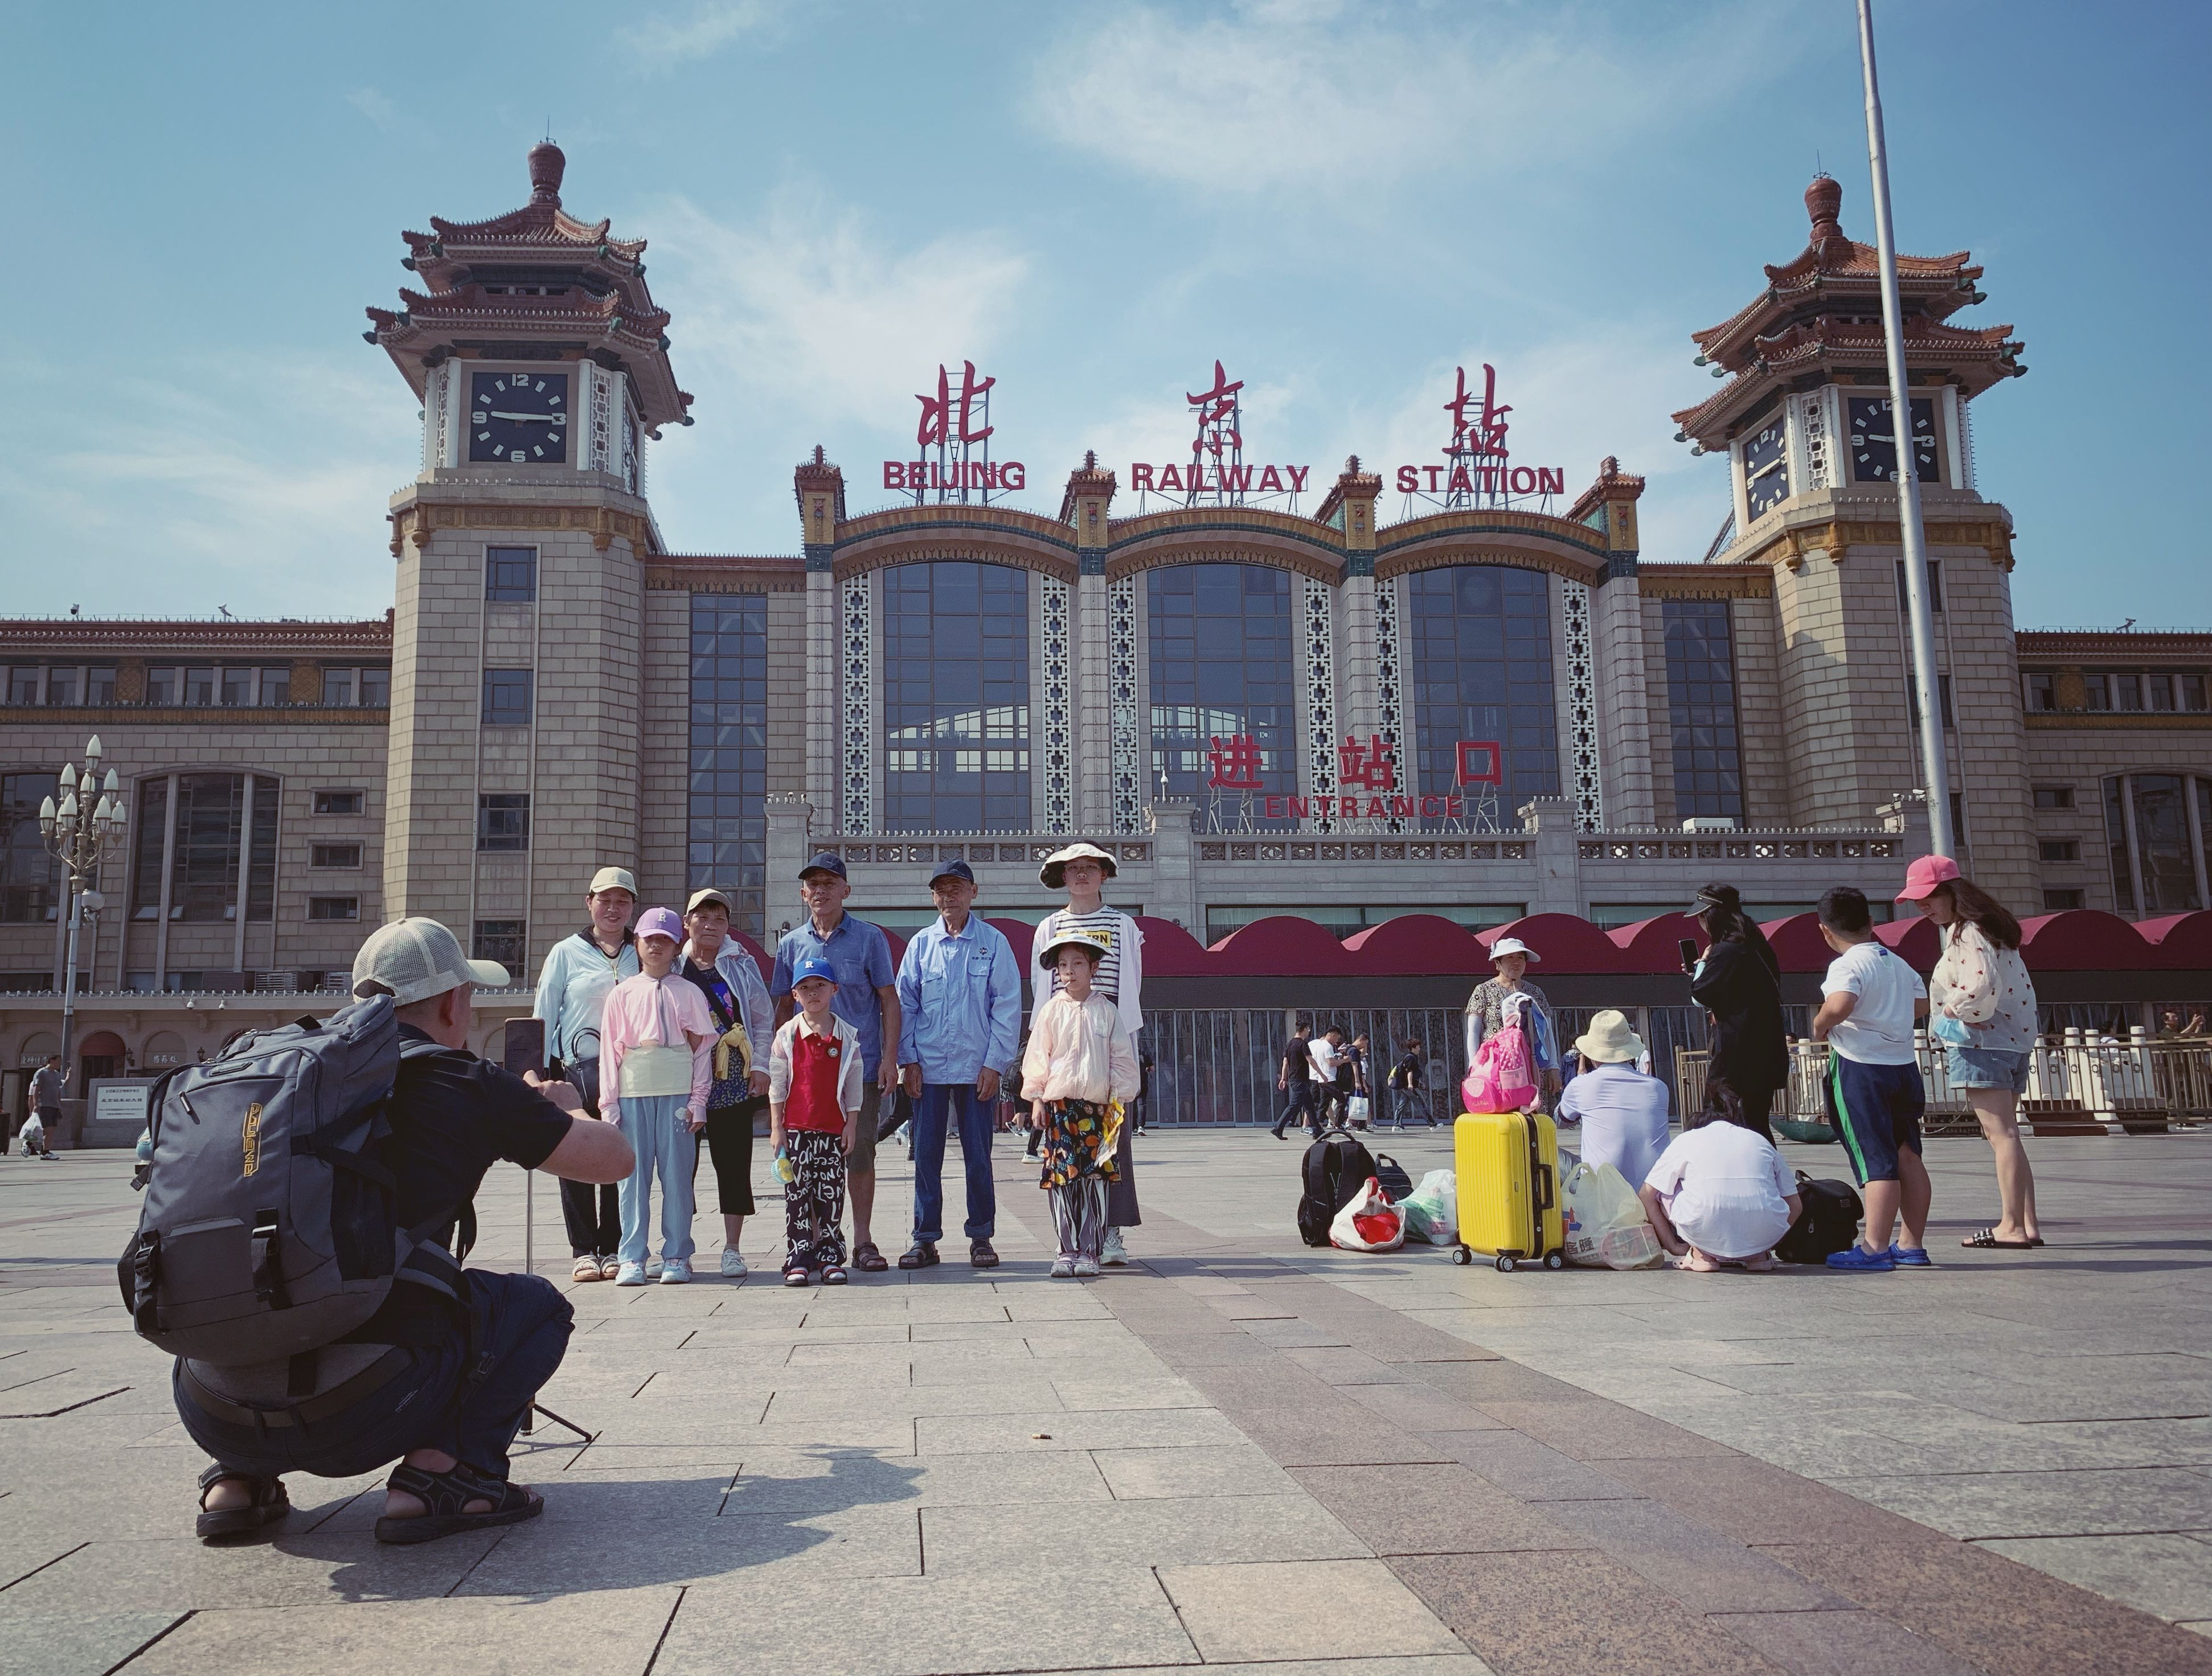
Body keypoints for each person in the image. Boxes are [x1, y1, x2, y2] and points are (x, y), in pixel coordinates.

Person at [179, 917, 633, 1545]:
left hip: (212, 1401)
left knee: (266, 1271)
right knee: (536, 1307)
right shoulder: (461, 1081)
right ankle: (447, 1474)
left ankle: (239, 1480)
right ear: (453, 1001)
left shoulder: (270, 1069)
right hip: (363, 1407)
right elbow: (614, 1161)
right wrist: (565, 1106)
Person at [1900, 855, 2045, 1250]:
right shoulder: (1994, 928)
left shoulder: (1965, 932)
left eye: (1928, 897)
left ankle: (2011, 1225)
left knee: (2001, 1134)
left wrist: (1952, 1009)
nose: (1922, 907)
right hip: (2012, 1039)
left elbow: (1978, 984)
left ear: (1951, 892)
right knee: (2009, 1134)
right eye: (1918, 900)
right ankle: (2026, 1222)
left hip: (1982, 1042)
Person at [771, 853, 899, 1275]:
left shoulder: (868, 938)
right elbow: (781, 1011)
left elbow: (888, 1000)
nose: (821, 891)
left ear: (846, 889)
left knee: (859, 1151)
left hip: (858, 1070)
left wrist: (891, 1058)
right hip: (807, 1078)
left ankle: (861, 1239)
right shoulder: (792, 944)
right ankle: (812, 1242)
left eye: (830, 883)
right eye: (813, 884)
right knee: (809, 1162)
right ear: (804, 892)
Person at [895, 859, 1021, 1271]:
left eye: (957, 889)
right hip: (928, 1069)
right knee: (926, 1155)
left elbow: (1007, 1007)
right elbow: (905, 1006)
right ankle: (924, 1238)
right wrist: (907, 1059)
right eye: (941, 890)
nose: (949, 897)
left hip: (976, 1069)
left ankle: (981, 1235)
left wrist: (995, 1064)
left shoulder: (993, 943)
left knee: (978, 1156)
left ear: (974, 892)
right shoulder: (920, 945)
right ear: (933, 896)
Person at [1030, 843, 1144, 1266]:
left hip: (1105, 1035)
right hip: (1064, 1042)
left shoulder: (1121, 924)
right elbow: (1042, 993)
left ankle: (1110, 1232)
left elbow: (1131, 987)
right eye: (1073, 869)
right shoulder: (1049, 926)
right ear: (1062, 876)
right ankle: (1071, 1240)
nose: (1081, 875)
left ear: (1104, 875)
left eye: (1090, 868)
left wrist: (1124, 1052)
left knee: (1112, 1144)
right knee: (1067, 1154)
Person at [1813, 884, 1932, 1272]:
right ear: (1871, 922)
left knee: (1875, 1158)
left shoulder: (1846, 964)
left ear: (1825, 932)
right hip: (1902, 1065)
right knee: (1908, 1154)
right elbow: (1921, 1004)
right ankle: (1911, 1244)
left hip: (1860, 1066)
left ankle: (1875, 1246)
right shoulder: (1897, 963)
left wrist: (1821, 1024)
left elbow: (1841, 1003)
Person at [531, 866, 638, 1281]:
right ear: (589, 902)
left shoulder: (642, 948)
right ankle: (583, 1248)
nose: (613, 909)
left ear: (632, 906)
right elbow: (544, 1013)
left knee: (616, 1156)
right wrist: (535, 1073)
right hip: (575, 1071)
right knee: (574, 1156)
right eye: (605, 900)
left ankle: (612, 1246)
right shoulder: (565, 952)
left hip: (629, 1072)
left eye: (623, 901)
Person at [600, 907, 715, 1287]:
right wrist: (610, 1104)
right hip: (634, 1091)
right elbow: (609, 1054)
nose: (656, 945)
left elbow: (702, 1051)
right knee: (631, 1179)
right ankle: (632, 1255)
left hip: (677, 1091)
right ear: (637, 942)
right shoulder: (621, 994)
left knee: (678, 1177)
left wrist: (699, 1099)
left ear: (675, 945)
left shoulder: (690, 992)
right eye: (649, 938)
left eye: (664, 940)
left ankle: (678, 1253)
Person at [680, 888, 775, 1278]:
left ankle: (732, 1248)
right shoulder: (671, 965)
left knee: (734, 1165)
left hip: (733, 1078)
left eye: (719, 918)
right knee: (679, 1168)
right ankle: (678, 1246)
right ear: (687, 922)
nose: (711, 925)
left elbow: (763, 1017)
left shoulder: (740, 962)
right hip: (683, 1081)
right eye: (702, 917)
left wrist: (762, 1066)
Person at [768, 955, 863, 1287]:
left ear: (834, 989)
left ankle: (831, 1256)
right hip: (796, 1131)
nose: (813, 993)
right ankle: (798, 1256)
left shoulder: (847, 1037)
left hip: (832, 1131)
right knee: (796, 1195)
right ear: (795, 995)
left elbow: (853, 1083)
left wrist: (851, 1124)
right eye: (804, 988)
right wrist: (777, 1126)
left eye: (820, 986)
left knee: (831, 1196)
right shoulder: (788, 1035)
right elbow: (777, 1082)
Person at [1639, 1099, 1803, 1272]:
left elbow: (1646, 1194)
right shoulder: (1759, 1140)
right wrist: (1768, 1241)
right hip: (1764, 1232)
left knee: (1663, 1190)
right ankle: (1758, 1256)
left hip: (1704, 1224)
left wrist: (1673, 1246)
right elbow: (1796, 1205)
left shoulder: (1687, 1139)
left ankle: (1701, 1255)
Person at [1685, 883, 1789, 1142]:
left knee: (1719, 1123)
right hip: (1767, 1049)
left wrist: (1704, 964)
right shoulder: (1759, 947)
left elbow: (1699, 995)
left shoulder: (1725, 951)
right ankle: (1769, 1178)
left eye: (1701, 916)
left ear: (1711, 916)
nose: (1699, 922)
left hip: (1735, 1053)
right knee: (1757, 1124)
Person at [1558, 1011, 1672, 1187]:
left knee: (1553, 1157)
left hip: (1604, 1195)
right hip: (1651, 1195)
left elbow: (1560, 1122)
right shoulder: (1659, 1088)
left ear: (1593, 1054)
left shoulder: (1581, 1085)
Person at [1465, 936, 1561, 1106]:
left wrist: (1553, 1066)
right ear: (1497, 963)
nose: (1516, 962)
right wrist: (1475, 1066)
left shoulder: (1535, 992)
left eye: (1520, 958)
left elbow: (1547, 1032)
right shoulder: (1483, 990)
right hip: (1495, 1067)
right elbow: (1473, 1032)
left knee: (1533, 1115)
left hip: (1532, 1067)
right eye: (1510, 957)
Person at [1270, 1018, 1316, 1140]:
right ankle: (1278, 1128)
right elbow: (1310, 1060)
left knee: (1310, 1106)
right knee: (1294, 1105)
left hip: (1296, 1080)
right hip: (1301, 1080)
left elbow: (1285, 1063)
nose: (1309, 1031)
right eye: (1308, 1029)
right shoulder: (1302, 1044)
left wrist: (1284, 1078)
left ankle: (1317, 1130)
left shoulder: (1290, 1044)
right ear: (1304, 1029)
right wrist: (1322, 1075)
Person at [23, 1053, 63, 1158]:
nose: (60, 1064)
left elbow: (58, 1090)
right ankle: (37, 1147)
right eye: (59, 1061)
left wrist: (59, 1104)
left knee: (50, 1130)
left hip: (54, 1105)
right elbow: (36, 1090)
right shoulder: (41, 1073)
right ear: (51, 1060)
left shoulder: (57, 1074)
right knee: (47, 1129)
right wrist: (36, 1105)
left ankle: (43, 1151)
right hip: (44, 1105)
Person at [1308, 1025, 1349, 1129]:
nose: (1336, 1041)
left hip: (1322, 1079)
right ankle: (1339, 1125)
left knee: (1324, 1104)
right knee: (1342, 1100)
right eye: (1337, 1038)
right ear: (1333, 1035)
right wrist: (1344, 1060)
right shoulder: (1327, 1046)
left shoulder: (1320, 1045)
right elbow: (1331, 1063)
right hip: (1329, 1079)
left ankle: (1318, 1126)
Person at [1386, 1037, 1431, 1129]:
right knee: (1421, 1104)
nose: (1420, 1049)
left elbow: (1414, 1073)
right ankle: (1432, 1124)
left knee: (1401, 1106)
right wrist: (1410, 1084)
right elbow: (1409, 1072)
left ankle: (1397, 1125)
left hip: (1406, 1087)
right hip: (1410, 1087)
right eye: (1418, 1047)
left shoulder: (1412, 1057)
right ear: (1413, 1048)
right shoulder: (1411, 1058)